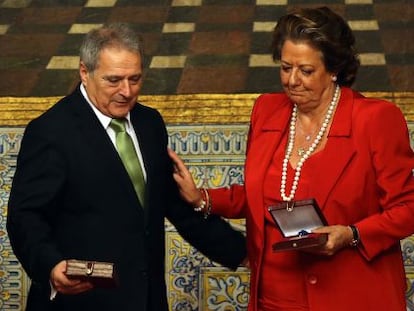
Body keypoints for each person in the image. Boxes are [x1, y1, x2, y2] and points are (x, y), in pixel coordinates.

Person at [168, 6, 414, 311]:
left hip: (349, 294)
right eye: (286, 68)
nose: (292, 80)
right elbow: (264, 196)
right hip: (274, 295)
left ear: (334, 69)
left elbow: (408, 207)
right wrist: (202, 198)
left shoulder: (375, 120)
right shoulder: (266, 111)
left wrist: (351, 234)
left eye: (306, 71)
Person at [6, 23, 246, 311]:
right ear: (85, 72)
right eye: (114, 80)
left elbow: (174, 205)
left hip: (145, 299)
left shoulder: (150, 124)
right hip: (81, 302)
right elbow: (25, 217)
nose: (127, 91)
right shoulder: (50, 132)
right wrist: (51, 265)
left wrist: (243, 253)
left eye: (135, 79)